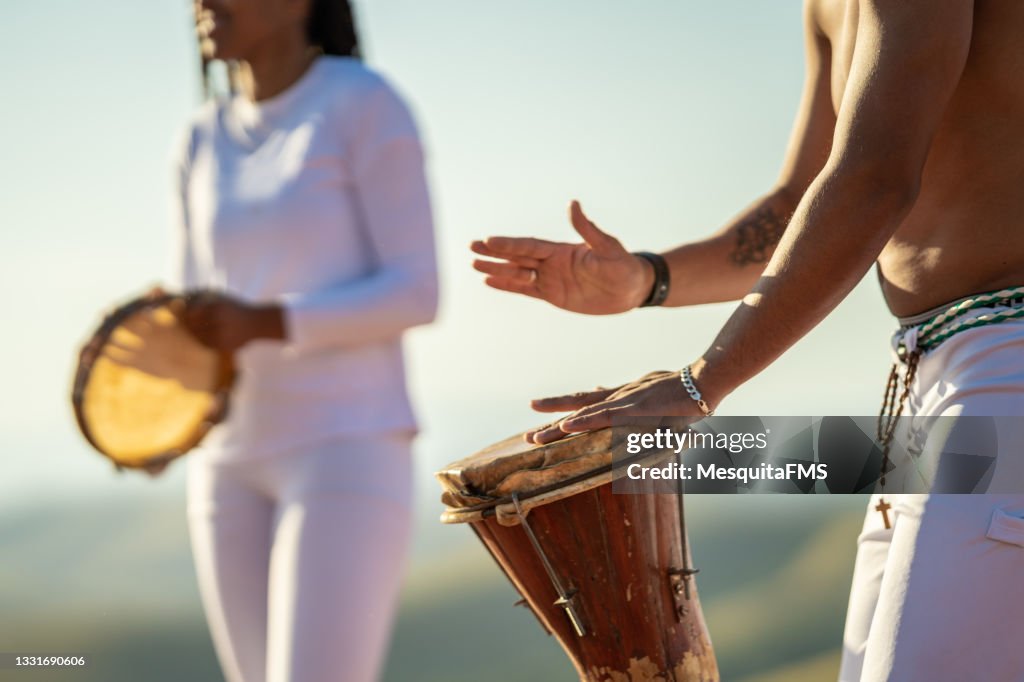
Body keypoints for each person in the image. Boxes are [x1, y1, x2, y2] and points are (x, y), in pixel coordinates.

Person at [471, 0, 1024, 680]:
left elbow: (873, 179)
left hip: (1006, 363)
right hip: (930, 376)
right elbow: (803, 202)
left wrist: (703, 381)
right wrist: (649, 278)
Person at [155, 1, 438, 681]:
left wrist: (266, 322)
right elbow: (193, 308)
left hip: (346, 445)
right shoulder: (199, 138)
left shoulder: (363, 103)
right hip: (227, 461)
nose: (202, 4)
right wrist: (165, 419)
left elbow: (416, 292)